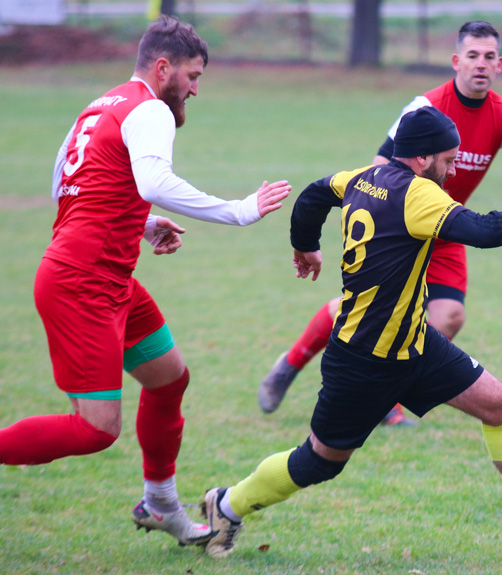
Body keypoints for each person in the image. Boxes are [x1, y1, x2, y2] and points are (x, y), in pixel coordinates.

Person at [201, 107, 502, 558]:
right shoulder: (417, 195)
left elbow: (313, 194)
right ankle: (226, 505)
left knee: (500, 403)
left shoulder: (362, 177)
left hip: (415, 344)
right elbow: (483, 231)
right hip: (363, 360)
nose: (453, 169)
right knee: (318, 461)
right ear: (424, 159)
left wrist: (305, 245)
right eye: (449, 159)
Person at [0, 16, 291, 547]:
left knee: (168, 379)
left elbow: (68, 186)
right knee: (94, 430)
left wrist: (142, 224)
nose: (196, 90)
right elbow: (153, 179)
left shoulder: (101, 105)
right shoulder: (152, 107)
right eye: (193, 76)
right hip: (82, 282)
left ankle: (159, 502)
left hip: (107, 277)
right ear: (164, 68)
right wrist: (239, 210)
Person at [257, 21, 502, 423]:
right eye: (472, 56)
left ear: (500, 65)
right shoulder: (425, 106)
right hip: (400, 225)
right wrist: (379, 212)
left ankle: (387, 390)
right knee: (368, 309)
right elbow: (379, 163)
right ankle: (291, 363)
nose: (480, 64)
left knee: (449, 316)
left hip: (450, 226)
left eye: (489, 57)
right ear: (456, 61)